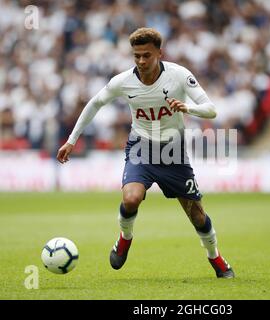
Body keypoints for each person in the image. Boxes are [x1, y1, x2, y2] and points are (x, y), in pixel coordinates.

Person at [56, 27, 234, 278]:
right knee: (130, 199)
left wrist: (187, 108)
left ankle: (216, 258)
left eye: (146, 55)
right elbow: (94, 103)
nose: (140, 61)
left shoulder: (179, 75)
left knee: (196, 214)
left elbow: (211, 109)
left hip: (173, 151)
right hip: (141, 147)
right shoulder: (123, 81)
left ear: (159, 53)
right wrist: (72, 140)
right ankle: (125, 238)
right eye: (136, 55)